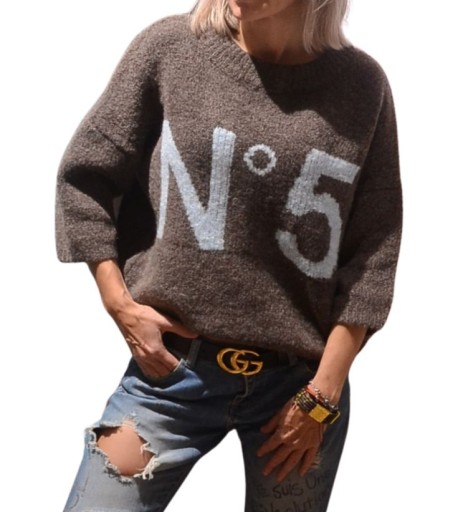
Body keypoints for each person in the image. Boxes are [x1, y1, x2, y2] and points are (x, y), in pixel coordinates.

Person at [55, 0, 402, 510]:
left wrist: (323, 395)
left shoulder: (362, 85)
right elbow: (85, 175)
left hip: (300, 392)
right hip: (169, 378)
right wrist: (119, 304)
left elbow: (374, 250)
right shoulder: (170, 48)